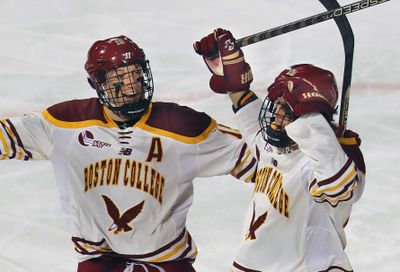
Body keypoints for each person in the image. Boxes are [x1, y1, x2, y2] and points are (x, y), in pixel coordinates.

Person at [0, 35, 257, 272]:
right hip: (100, 263)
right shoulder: (65, 123)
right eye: (119, 80)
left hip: (166, 264)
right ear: (96, 84)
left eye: (136, 75)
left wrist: (240, 93)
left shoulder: (184, 127)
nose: (132, 87)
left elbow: (266, 164)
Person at [194, 29, 366, 272]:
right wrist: (230, 71)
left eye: (289, 111)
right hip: (252, 265)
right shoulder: (269, 144)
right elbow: (247, 107)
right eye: (276, 106)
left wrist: (313, 118)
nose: (276, 117)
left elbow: (340, 187)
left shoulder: (324, 162)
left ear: (310, 116)